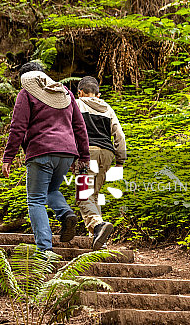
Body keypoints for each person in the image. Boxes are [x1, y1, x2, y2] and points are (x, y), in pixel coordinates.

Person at [2, 62, 90, 251]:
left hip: (41, 152)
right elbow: (79, 127)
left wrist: (8, 157)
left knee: (35, 200)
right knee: (51, 190)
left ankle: (44, 250)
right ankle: (66, 214)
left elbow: (18, 127)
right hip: (67, 153)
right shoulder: (65, 93)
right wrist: (84, 156)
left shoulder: (26, 94)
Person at [75, 76, 127, 250]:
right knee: (93, 194)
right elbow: (119, 135)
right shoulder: (107, 108)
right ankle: (98, 239)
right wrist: (120, 159)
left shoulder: (76, 104)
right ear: (98, 94)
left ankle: (97, 225)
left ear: (80, 92)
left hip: (86, 153)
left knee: (83, 193)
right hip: (106, 154)